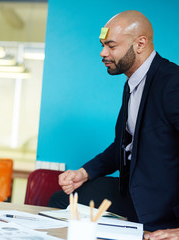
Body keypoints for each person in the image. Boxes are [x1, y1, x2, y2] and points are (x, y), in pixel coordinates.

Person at [48, 10, 179, 231]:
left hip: (165, 207)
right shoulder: (132, 84)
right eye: (102, 45)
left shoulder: (172, 83)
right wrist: (84, 173)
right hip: (135, 193)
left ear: (140, 43)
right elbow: (124, 145)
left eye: (111, 46)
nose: (102, 52)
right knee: (61, 202)